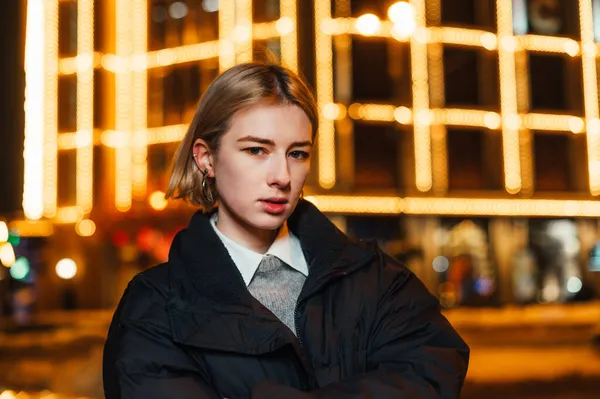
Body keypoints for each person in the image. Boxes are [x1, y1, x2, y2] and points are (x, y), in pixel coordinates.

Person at [102, 62, 470, 399]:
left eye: (297, 153)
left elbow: (432, 373)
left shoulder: (375, 277)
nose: (281, 177)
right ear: (206, 158)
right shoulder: (153, 307)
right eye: (257, 151)